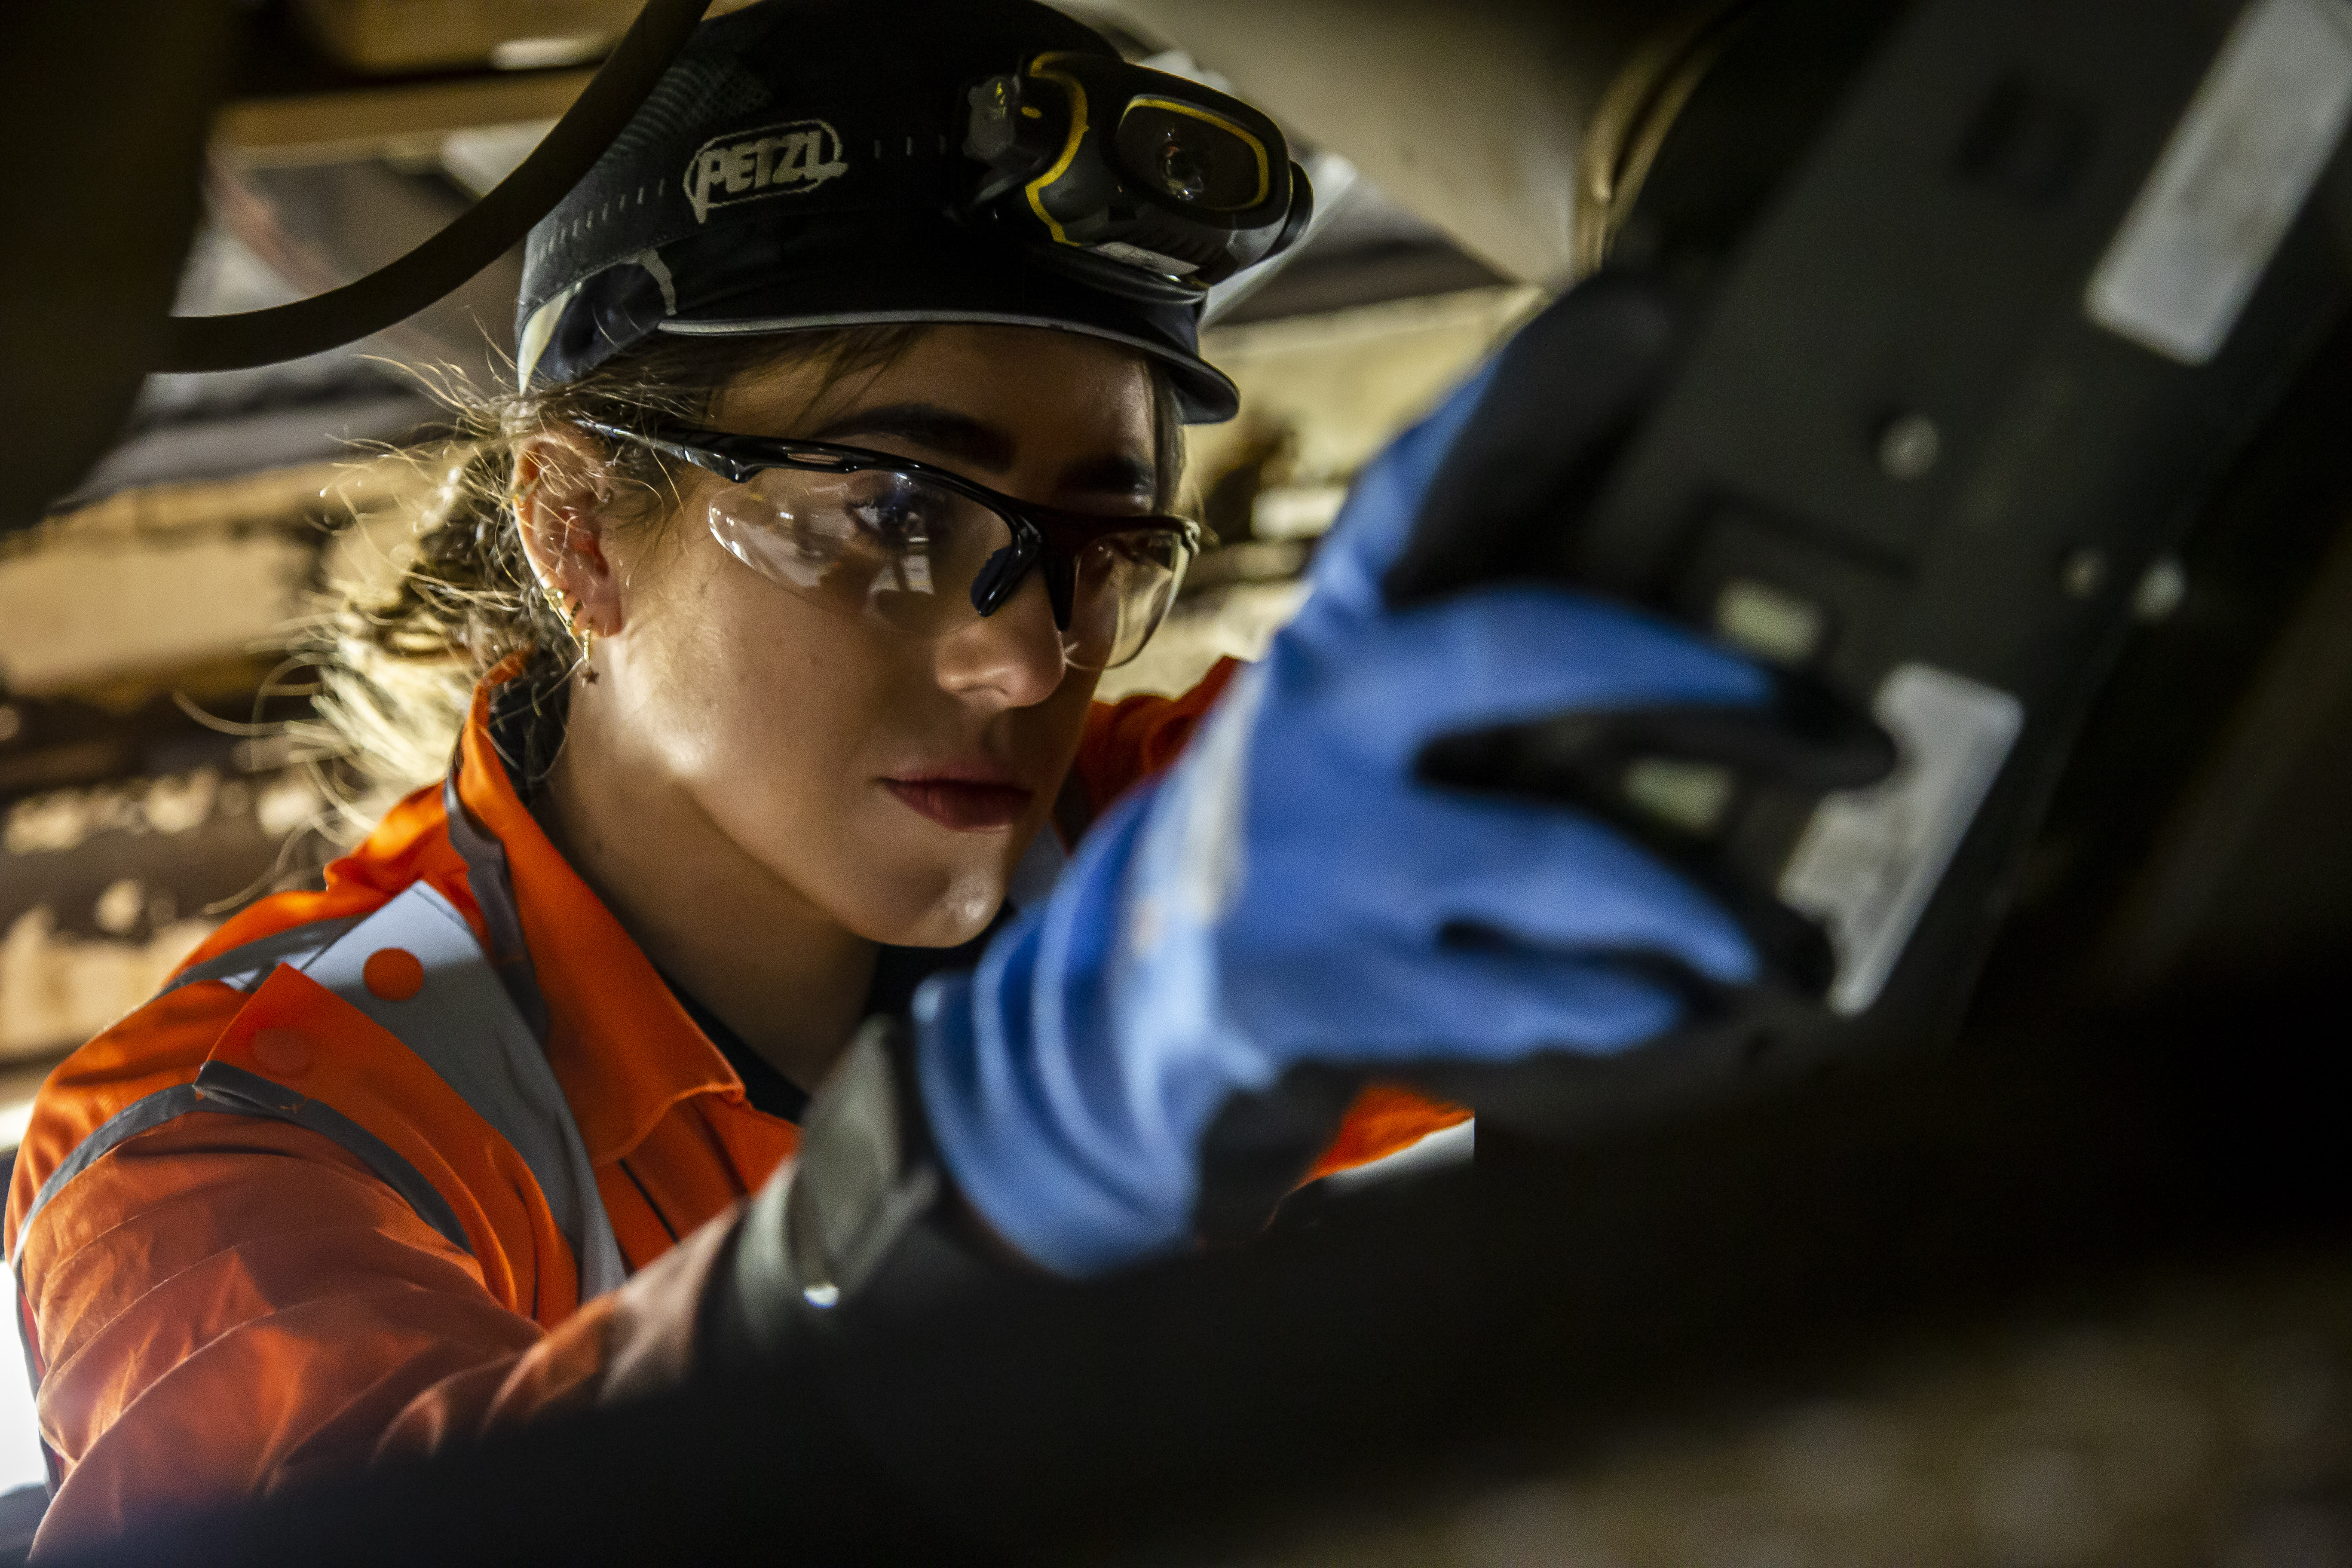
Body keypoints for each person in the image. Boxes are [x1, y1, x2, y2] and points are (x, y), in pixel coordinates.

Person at [5, 0, 1784, 1553]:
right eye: (895, 517)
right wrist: (995, 1174)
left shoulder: (1148, 846)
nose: (1028, 662)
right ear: (579, 533)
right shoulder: (226, 1142)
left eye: (1097, 545)